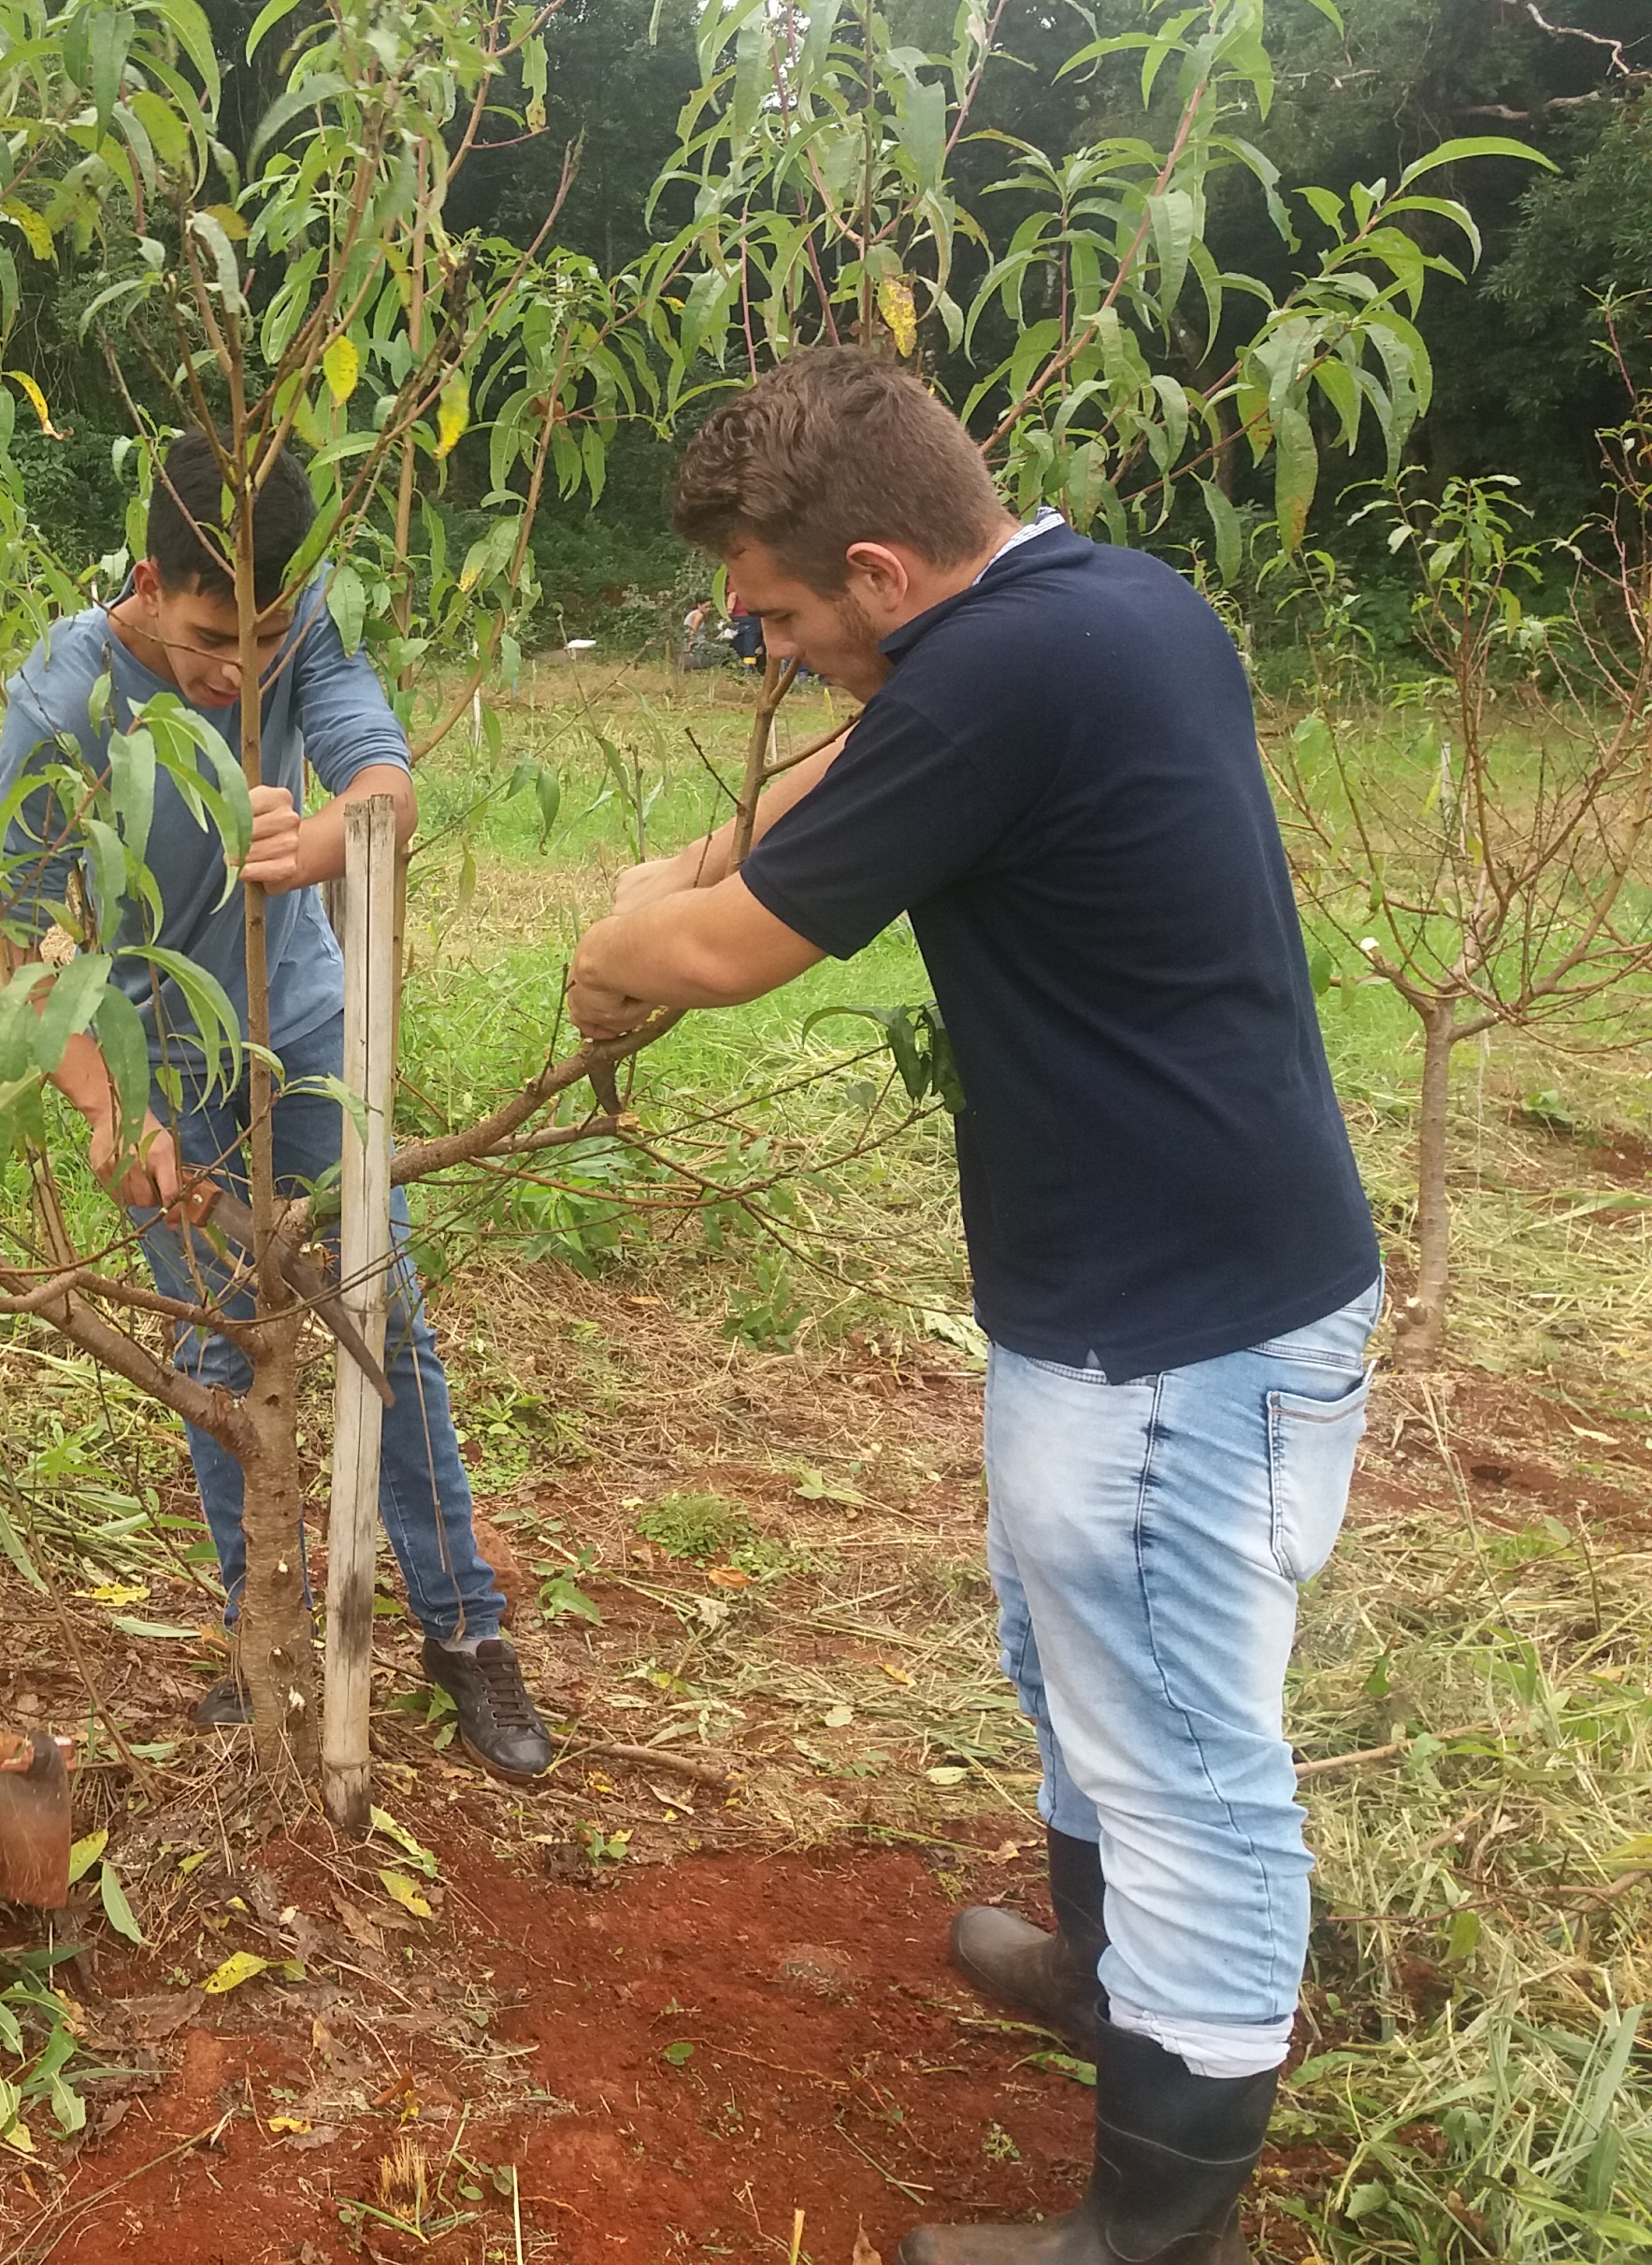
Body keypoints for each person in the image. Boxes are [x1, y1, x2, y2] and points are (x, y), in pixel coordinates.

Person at [566, 351, 1381, 2265]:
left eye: (779, 619)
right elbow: (855, 769)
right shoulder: (1101, 602)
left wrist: (618, 937)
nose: (769, 651)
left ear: (877, 569)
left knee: (1183, 1764)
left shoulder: (996, 675)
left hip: (1178, 1330)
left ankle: (1157, 2232)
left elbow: (727, 953)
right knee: (1078, 1674)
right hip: (1143, 1288)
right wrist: (678, 855)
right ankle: (1108, 1974)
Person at [0, 428, 553, 1781]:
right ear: (147, 584)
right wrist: (109, 1105)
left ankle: (462, 1627)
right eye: (208, 639)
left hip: (300, 1041)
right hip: (160, 1075)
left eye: (267, 636)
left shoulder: (308, 629)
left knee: (382, 1320)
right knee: (220, 1357)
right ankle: (267, 1637)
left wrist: (329, 836)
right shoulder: (63, 699)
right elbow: (11, 938)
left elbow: (382, 776)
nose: (239, 669)